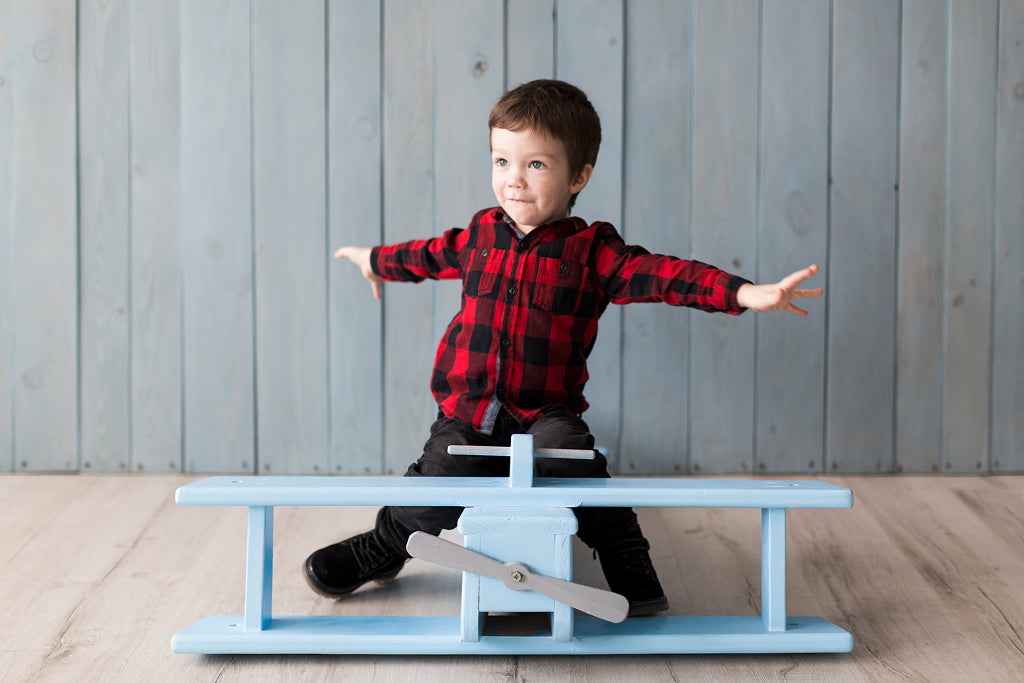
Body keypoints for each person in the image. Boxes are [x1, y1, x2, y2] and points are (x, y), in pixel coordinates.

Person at [306, 79, 822, 616]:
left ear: (578, 176)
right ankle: (385, 546)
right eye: (502, 161)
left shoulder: (592, 250)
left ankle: (625, 554)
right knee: (438, 478)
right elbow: (429, 254)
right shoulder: (482, 233)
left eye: (536, 165)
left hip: (545, 412)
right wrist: (375, 260)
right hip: (469, 410)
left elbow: (664, 275)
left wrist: (742, 292)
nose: (513, 180)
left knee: (574, 463)